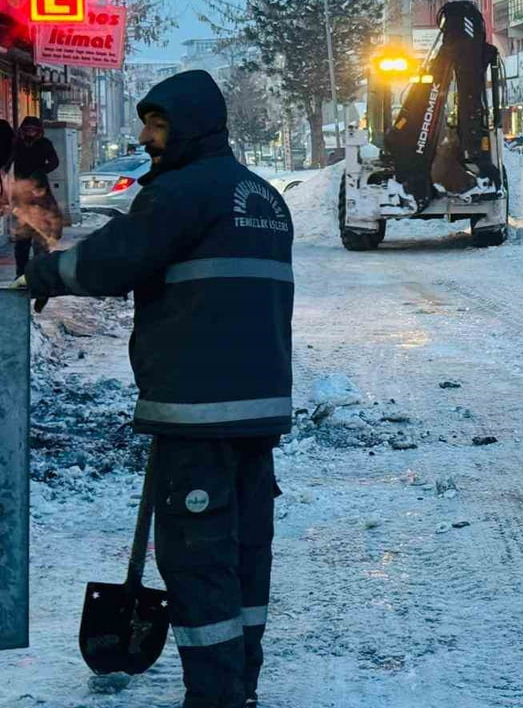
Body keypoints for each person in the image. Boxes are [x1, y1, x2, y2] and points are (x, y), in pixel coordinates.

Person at [20, 70, 294, 708]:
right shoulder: (263, 197)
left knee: (198, 565)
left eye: (159, 123)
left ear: (193, 126)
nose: (146, 136)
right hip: (257, 413)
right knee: (245, 556)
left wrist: (42, 272)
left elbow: (115, 260)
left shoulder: (182, 193)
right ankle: (240, 687)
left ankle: (216, 700)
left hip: (197, 412)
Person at [9, 172, 63, 278]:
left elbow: (56, 219)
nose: (38, 193)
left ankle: (41, 276)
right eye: (35, 190)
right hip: (25, 228)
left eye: (41, 191)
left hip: (43, 230)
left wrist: (54, 236)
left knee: (41, 251)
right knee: (21, 248)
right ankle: (21, 275)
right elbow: (15, 208)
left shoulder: (49, 202)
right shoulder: (23, 195)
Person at [11, 116, 59, 181]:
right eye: (28, 129)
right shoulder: (17, 143)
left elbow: (54, 162)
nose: (30, 132)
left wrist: (40, 172)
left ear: (38, 131)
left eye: (33, 130)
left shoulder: (44, 143)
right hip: (21, 181)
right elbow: (9, 159)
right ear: (23, 130)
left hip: (38, 182)